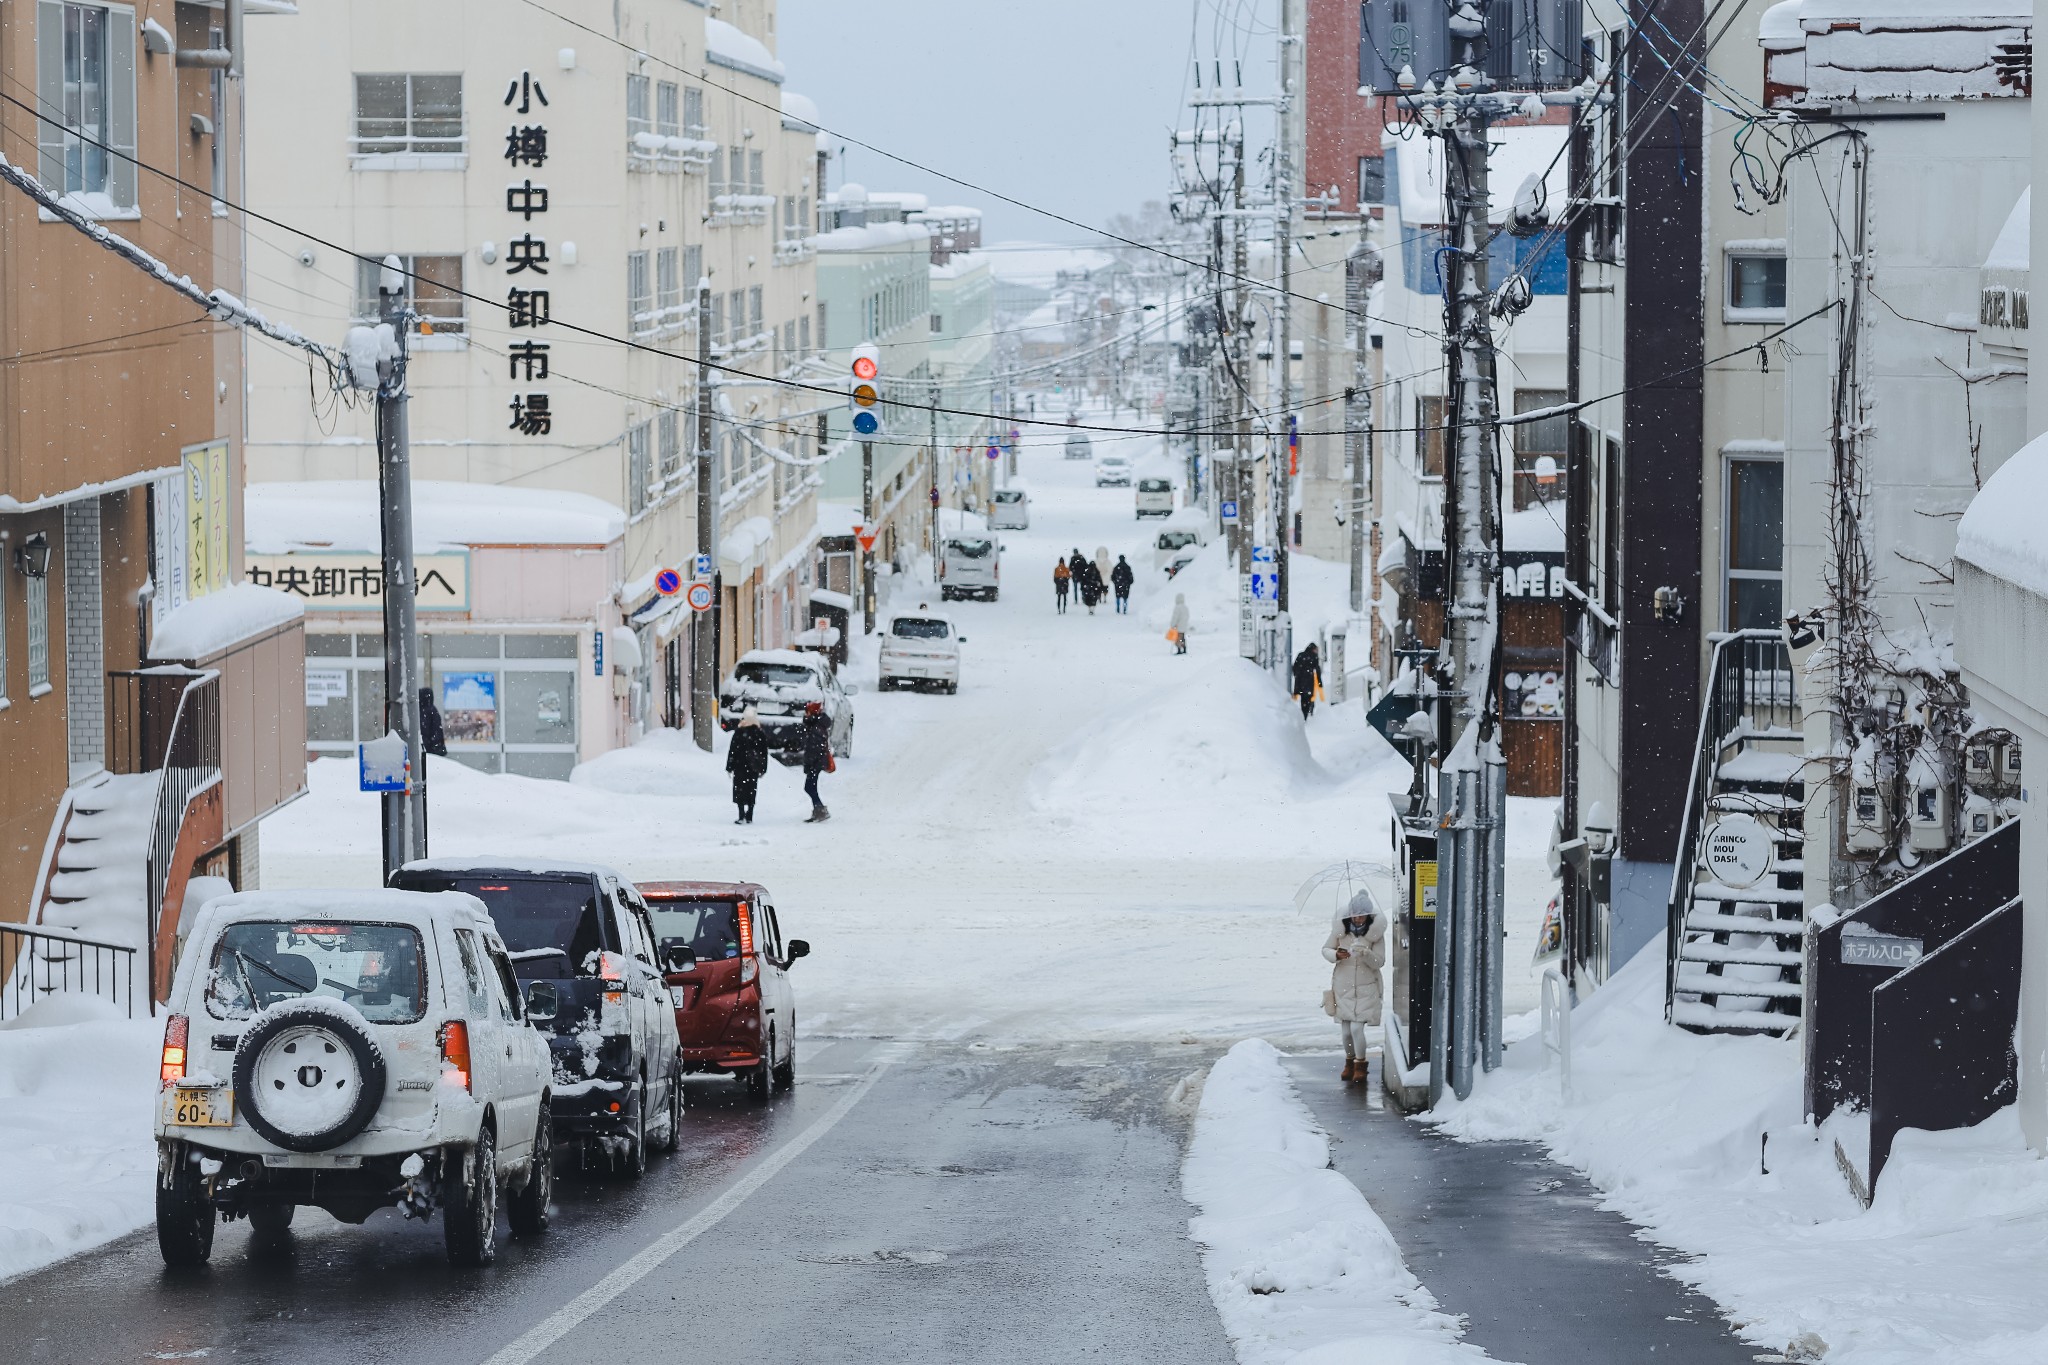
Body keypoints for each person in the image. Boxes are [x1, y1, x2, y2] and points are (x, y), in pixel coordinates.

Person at [1322, 892, 1386, 1083]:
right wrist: (1336, 955)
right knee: (1346, 1031)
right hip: (1343, 986)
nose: (1358, 918)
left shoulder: (1376, 935)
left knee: (1358, 1029)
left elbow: (1379, 962)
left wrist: (1365, 953)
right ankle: (1349, 1063)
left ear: (1368, 915)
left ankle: (1361, 1065)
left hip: (1367, 987)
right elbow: (1325, 949)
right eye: (1355, 914)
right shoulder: (1340, 931)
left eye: (1362, 914)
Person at [725, 706, 770, 824]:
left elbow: (732, 751)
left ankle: (741, 815)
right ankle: (750, 815)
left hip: (739, 767)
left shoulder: (739, 732)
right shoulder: (759, 733)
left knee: (739, 790)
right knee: (751, 790)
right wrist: (763, 768)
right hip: (753, 768)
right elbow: (764, 753)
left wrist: (729, 766)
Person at [799, 700, 834, 822]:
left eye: (807, 711)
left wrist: (810, 764)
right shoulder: (816, 725)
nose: (805, 714)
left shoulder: (816, 727)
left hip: (816, 762)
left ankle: (820, 810)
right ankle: (818, 810)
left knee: (809, 787)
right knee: (810, 787)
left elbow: (814, 749)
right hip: (817, 762)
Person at [1292, 642, 1323, 720]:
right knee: (1308, 698)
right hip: (1309, 681)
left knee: (1303, 698)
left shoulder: (1301, 655)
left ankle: (1303, 715)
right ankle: (1307, 714)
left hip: (1299, 681)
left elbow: (1294, 667)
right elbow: (1317, 670)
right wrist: (1319, 683)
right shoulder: (1314, 657)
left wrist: (1297, 675)